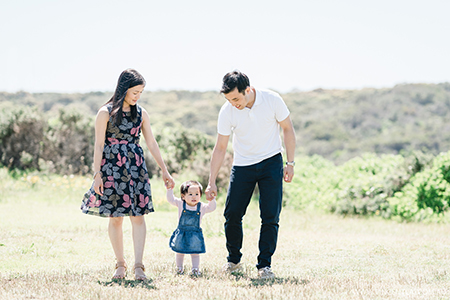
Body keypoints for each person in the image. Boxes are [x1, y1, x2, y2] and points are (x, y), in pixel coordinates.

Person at [81, 68, 174, 281]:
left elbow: (151, 142)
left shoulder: (142, 114)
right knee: (115, 218)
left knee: (138, 216)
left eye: (141, 92)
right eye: (135, 92)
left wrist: (164, 169)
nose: (138, 97)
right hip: (111, 168)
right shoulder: (105, 112)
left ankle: (139, 266)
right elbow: (98, 145)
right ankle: (120, 264)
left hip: (135, 168)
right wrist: (97, 174)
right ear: (124, 89)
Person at [205, 70, 296, 279]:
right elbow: (220, 147)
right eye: (228, 99)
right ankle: (233, 261)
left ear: (248, 89)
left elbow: (288, 129)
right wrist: (211, 181)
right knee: (232, 214)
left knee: (270, 215)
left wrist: (290, 163)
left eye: (236, 98)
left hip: (271, 162)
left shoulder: (272, 99)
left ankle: (264, 265)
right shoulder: (227, 111)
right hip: (243, 164)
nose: (233, 103)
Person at [167, 180, 216, 276]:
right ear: (183, 196)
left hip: (195, 234)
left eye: (197, 194)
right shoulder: (181, 204)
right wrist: (169, 189)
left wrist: (212, 199)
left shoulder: (201, 206)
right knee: (180, 252)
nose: (194, 196)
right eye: (190, 194)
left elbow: (212, 208)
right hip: (182, 232)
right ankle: (179, 268)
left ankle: (195, 269)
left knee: (195, 252)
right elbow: (171, 199)